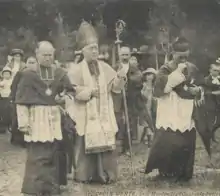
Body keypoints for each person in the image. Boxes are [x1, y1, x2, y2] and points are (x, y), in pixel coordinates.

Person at [67, 21, 127, 184]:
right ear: (83, 51)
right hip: (86, 112)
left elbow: (115, 88)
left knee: (106, 140)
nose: (95, 51)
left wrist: (121, 77)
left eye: (96, 47)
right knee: (85, 141)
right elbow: (72, 90)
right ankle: (85, 174)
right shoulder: (76, 70)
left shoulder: (104, 66)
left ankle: (106, 174)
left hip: (103, 113)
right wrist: (88, 93)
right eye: (91, 48)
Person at [15, 41, 75, 196]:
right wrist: (23, 123)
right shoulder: (28, 74)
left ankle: (51, 188)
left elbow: (71, 92)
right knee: (37, 154)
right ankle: (35, 188)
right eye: (44, 54)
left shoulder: (60, 73)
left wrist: (64, 97)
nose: (48, 58)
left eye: (50, 55)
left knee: (54, 153)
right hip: (36, 117)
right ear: (37, 54)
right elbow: (21, 101)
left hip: (54, 117)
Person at [145, 37, 208, 182]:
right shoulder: (165, 68)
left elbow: (200, 83)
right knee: (169, 140)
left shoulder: (192, 67)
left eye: (186, 56)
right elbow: (159, 89)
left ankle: (184, 172)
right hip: (170, 107)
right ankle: (167, 172)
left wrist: (197, 90)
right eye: (180, 57)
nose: (183, 60)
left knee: (185, 139)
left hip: (185, 108)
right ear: (173, 53)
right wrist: (176, 79)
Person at [112, 47, 143, 156]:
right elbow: (111, 80)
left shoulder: (133, 67)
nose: (124, 57)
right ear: (119, 55)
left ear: (130, 55)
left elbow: (139, 78)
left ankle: (128, 147)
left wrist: (128, 80)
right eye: (122, 55)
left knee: (129, 121)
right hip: (118, 98)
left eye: (126, 55)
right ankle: (119, 146)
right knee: (119, 121)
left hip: (130, 98)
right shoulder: (116, 67)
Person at [140, 68, 157, 147]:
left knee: (150, 122)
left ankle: (144, 138)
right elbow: (141, 95)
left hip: (152, 105)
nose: (149, 76)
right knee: (146, 121)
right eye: (147, 75)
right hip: (144, 105)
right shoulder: (143, 85)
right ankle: (149, 140)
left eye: (151, 75)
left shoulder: (154, 86)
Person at [203, 62, 220, 142]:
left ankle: (211, 134)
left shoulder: (219, 79)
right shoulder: (206, 80)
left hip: (219, 103)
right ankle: (209, 138)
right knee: (210, 121)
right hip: (210, 103)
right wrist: (215, 93)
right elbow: (204, 92)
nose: (217, 72)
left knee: (218, 122)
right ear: (210, 70)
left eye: (218, 70)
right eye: (215, 70)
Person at [0, 67, 13, 133]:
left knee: (10, 112)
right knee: (3, 112)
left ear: (10, 75)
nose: (6, 75)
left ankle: (10, 126)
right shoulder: (2, 82)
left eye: (8, 74)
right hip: (3, 98)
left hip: (10, 98)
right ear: (2, 75)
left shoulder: (12, 81)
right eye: (5, 74)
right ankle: (4, 127)